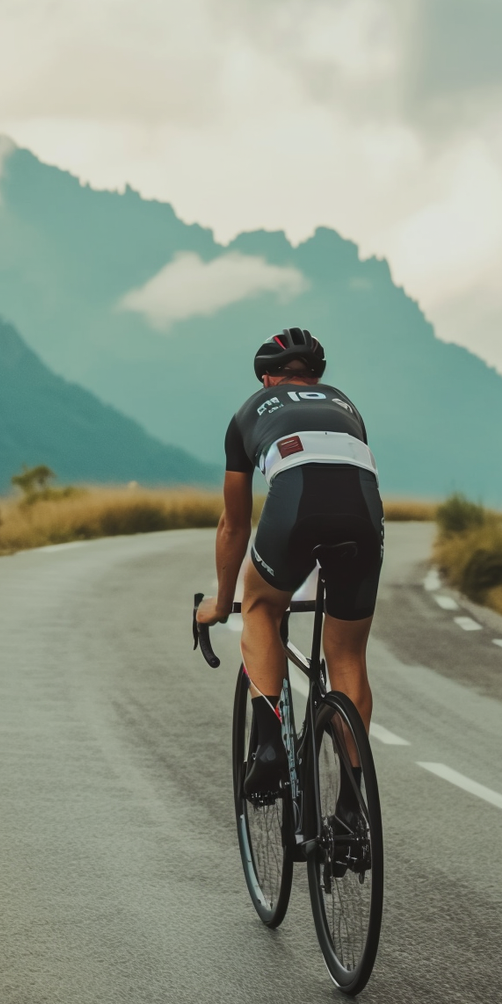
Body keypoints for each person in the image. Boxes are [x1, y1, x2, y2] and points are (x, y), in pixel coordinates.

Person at [192, 327, 383, 798]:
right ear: (315, 377)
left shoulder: (246, 415)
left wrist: (220, 603)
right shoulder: (346, 407)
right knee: (347, 655)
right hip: (363, 515)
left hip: (296, 503)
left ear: (266, 380)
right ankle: (351, 803)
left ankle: (269, 744)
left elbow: (234, 525)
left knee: (260, 607)